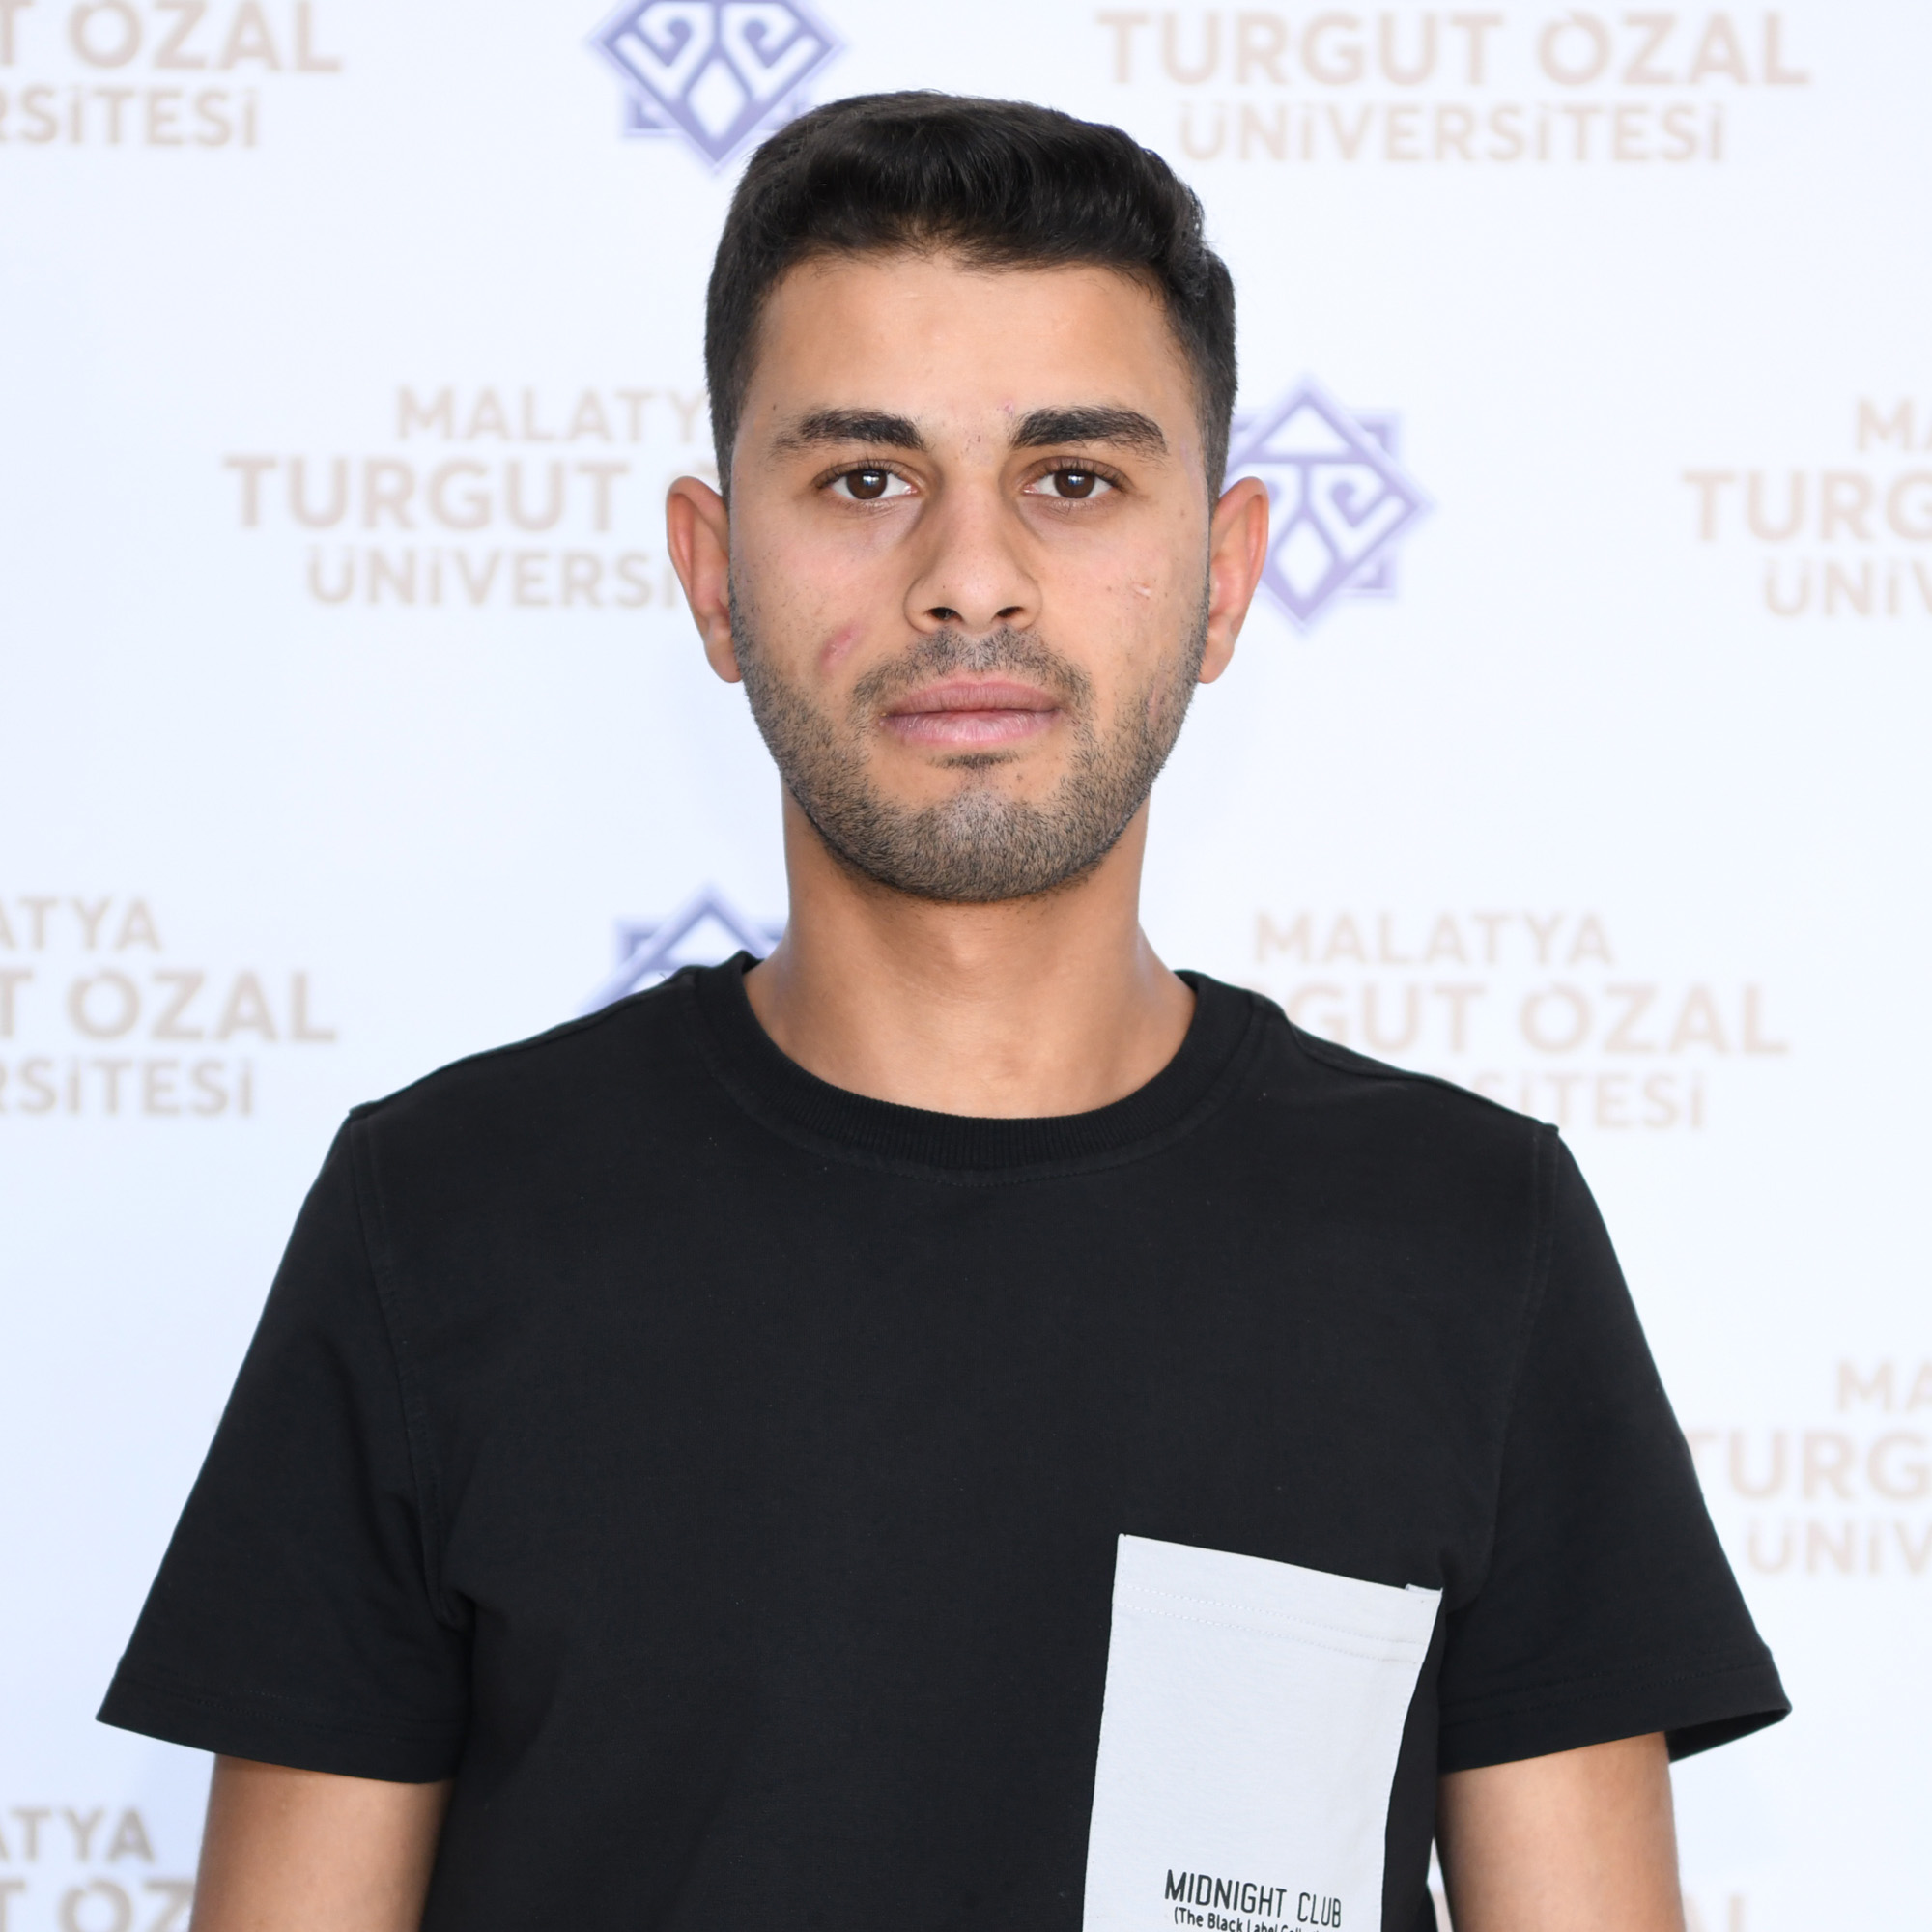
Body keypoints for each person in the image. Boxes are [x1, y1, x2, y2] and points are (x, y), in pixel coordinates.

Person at [100, 92, 1786, 1932]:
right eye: (864, 479)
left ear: (1224, 579)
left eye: (1073, 480)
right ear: (713, 574)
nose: (970, 578)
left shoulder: (1469, 1235)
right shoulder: (440, 1216)